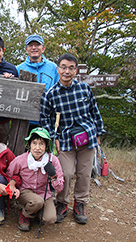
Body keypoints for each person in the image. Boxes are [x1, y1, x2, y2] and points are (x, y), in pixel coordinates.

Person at [40, 53, 105, 225]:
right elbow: (45, 118)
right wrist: (54, 138)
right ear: (58, 69)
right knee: (66, 173)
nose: (67, 71)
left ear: (76, 70)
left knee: (84, 174)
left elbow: (94, 112)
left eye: (71, 68)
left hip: (88, 138)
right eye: (63, 67)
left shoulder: (84, 89)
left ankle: (80, 203)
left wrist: (98, 133)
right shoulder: (51, 94)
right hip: (66, 140)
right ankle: (61, 202)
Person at [7, 127, 64, 231]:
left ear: (47, 146)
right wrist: (13, 185)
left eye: (42, 144)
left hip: (44, 192)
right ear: (29, 145)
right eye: (34, 143)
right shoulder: (21, 160)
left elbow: (60, 188)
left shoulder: (53, 160)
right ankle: (25, 214)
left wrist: (53, 176)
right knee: (37, 202)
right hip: (25, 191)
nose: (38, 148)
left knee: (50, 219)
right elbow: (9, 173)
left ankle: (36, 212)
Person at [16, 34, 60, 130]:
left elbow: (59, 91)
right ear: (26, 49)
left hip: (48, 119)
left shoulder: (53, 68)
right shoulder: (18, 69)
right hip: (24, 120)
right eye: (30, 45)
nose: (34, 48)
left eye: (37, 45)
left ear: (43, 48)